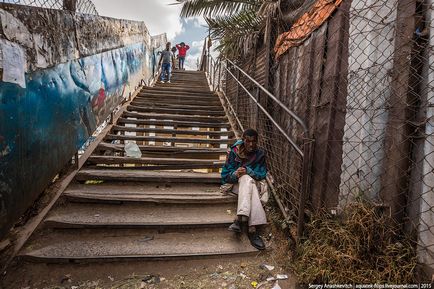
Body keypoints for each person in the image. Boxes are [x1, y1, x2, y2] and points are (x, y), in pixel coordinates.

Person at [221, 128, 268, 250]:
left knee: (247, 179)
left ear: (257, 141)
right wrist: (236, 174)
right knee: (246, 180)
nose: (251, 144)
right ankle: (252, 231)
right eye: (248, 141)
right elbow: (224, 176)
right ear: (243, 140)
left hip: (253, 186)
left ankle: (240, 219)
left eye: (254, 141)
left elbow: (261, 174)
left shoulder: (260, 155)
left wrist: (248, 171)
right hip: (235, 186)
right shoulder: (233, 152)